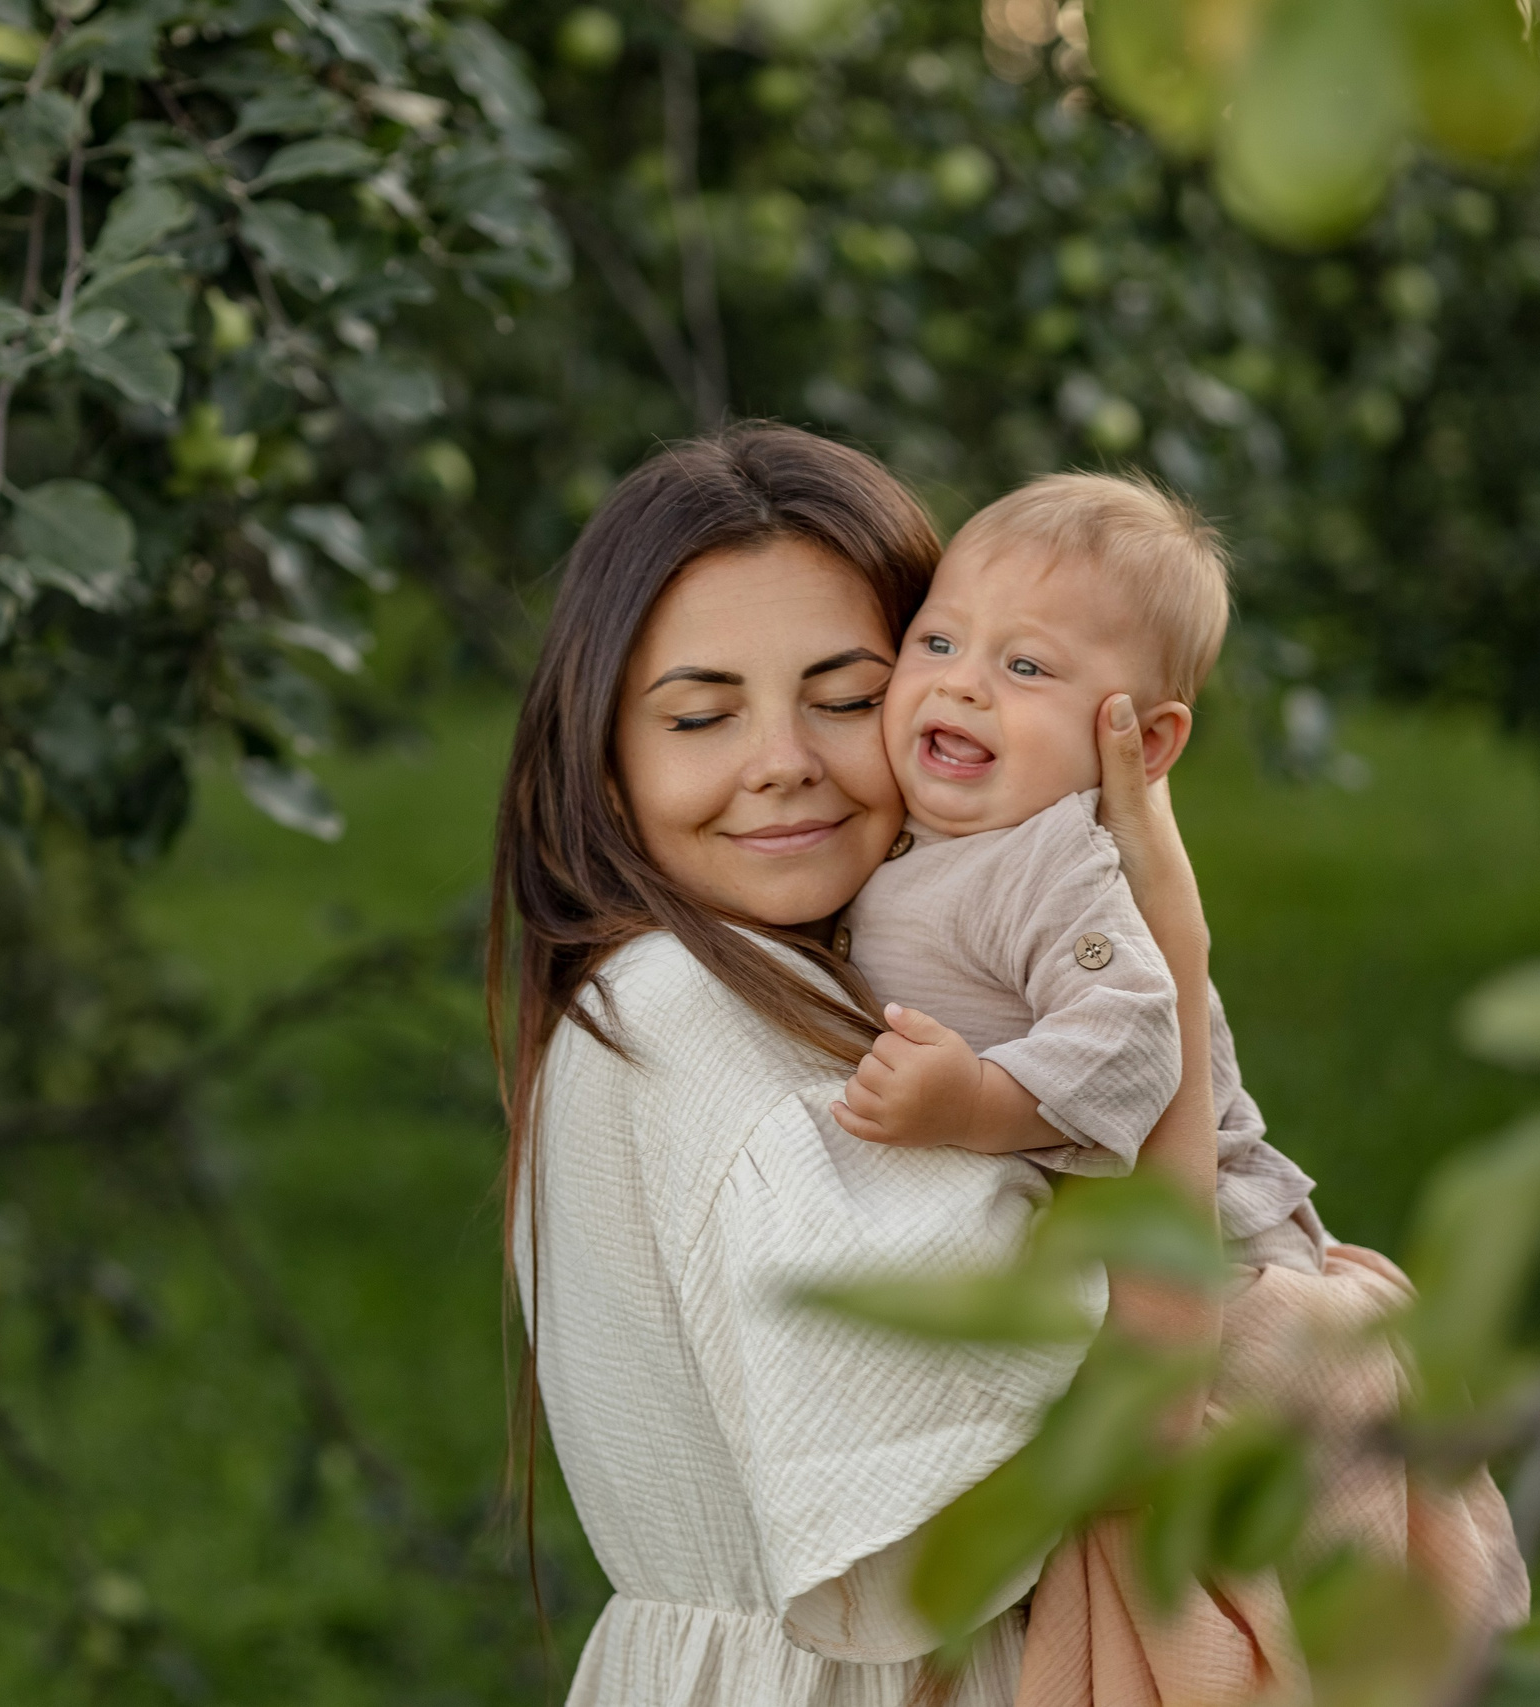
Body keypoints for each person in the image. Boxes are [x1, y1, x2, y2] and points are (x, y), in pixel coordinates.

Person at [490, 425, 1223, 1705]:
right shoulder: (702, 1026)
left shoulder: (769, 980)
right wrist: (1173, 953)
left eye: (844, 698)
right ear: (601, 761)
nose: (783, 762)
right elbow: (1143, 1420)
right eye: (701, 715)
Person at [828, 473, 1326, 1270]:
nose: (960, 682)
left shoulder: (1055, 865)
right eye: (939, 642)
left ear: (1143, 742)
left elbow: (1133, 1038)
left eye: (1026, 666)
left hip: (1226, 1252)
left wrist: (976, 1101)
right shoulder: (890, 817)